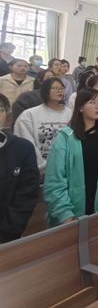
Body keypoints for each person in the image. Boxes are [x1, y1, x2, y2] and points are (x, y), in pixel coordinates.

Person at [44, 89, 98, 227]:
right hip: (72, 209)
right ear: (80, 107)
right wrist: (65, 214)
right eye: (92, 102)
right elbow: (55, 179)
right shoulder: (65, 137)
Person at [0, 92, 39, 243]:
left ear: (7, 115)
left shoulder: (22, 149)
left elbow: (27, 193)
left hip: (7, 235)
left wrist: (8, 232)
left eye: (0, 109)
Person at [14, 78, 72, 172]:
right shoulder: (29, 115)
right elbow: (26, 143)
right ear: (45, 90)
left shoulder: (70, 113)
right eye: (55, 88)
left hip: (66, 168)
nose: (59, 91)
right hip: (39, 170)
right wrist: (42, 166)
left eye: (62, 88)